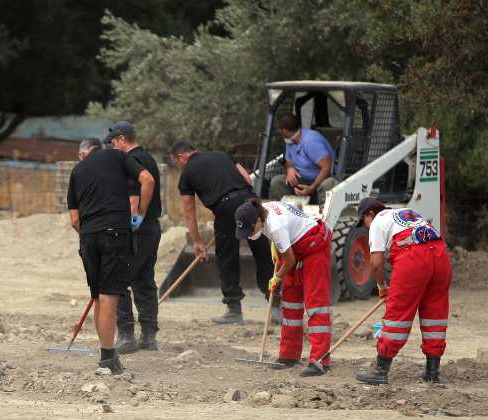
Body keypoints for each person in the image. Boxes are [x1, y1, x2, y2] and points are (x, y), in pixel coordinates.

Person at [67, 137, 154, 374]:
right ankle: (107, 359)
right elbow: (147, 179)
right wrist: (140, 215)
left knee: (98, 296)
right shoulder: (117, 156)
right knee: (109, 296)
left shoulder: (77, 170)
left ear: (84, 153)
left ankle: (106, 353)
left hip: (88, 237)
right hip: (114, 233)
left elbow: (74, 219)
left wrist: (89, 233)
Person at [169, 141, 275, 324]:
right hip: (250, 202)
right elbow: (247, 178)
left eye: (177, 164)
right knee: (262, 252)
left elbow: (189, 212)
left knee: (227, 257)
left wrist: (197, 242)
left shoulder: (187, 174)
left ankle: (234, 309)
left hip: (226, 207)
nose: (179, 168)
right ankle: (276, 304)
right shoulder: (221, 154)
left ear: (181, 157)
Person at [355, 198, 452, 385]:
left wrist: (382, 288)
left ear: (370, 214)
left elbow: (376, 263)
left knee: (397, 315)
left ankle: (381, 370)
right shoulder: (407, 212)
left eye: (363, 222)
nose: (365, 227)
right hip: (440, 254)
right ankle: (433, 372)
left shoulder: (377, 221)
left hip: (413, 257)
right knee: (435, 314)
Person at [235, 199, 333, 376]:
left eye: (251, 230)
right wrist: (277, 244)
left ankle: (320, 360)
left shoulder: (275, 227)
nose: (249, 235)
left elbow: (290, 261)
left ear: (258, 221)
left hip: (314, 245)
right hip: (296, 245)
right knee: (291, 302)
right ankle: (289, 355)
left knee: (316, 304)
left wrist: (276, 277)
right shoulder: (261, 210)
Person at [104, 121, 162, 353]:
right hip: (152, 228)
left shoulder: (130, 161)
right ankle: (149, 336)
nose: (112, 146)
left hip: (136, 228)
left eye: (112, 142)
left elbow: (136, 193)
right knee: (144, 279)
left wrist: (136, 217)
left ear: (121, 139)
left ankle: (126, 335)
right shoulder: (148, 158)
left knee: (119, 278)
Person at [268, 113, 337, 204]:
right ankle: (286, 212)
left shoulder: (311, 141)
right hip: (301, 180)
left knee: (328, 184)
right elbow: (289, 160)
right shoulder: (290, 141)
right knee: (277, 182)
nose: (279, 131)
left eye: (279, 129)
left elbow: (327, 167)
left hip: (320, 180)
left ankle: (322, 215)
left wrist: (312, 188)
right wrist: (290, 169)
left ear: (284, 130)